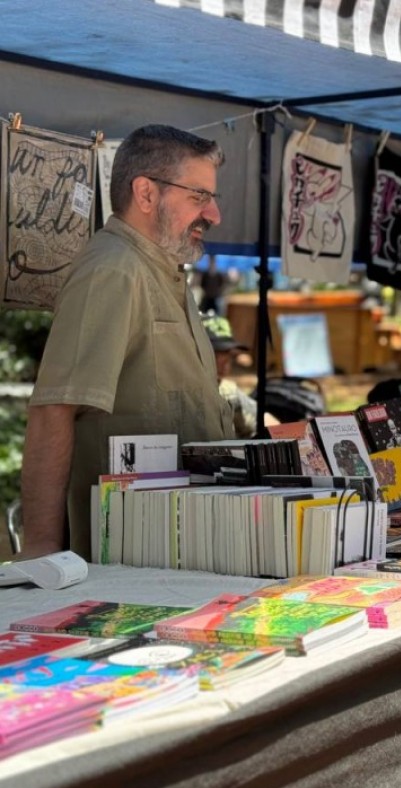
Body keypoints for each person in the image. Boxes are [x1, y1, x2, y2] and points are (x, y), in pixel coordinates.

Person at [22, 124, 233, 560]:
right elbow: (54, 409)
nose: (213, 215)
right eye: (199, 197)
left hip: (170, 545)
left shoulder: (161, 268)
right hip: (123, 556)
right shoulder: (113, 270)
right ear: (146, 193)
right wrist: (41, 549)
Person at [201, 312, 277, 438]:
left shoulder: (225, 391)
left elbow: (268, 423)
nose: (224, 362)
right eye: (215, 353)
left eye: (228, 353)